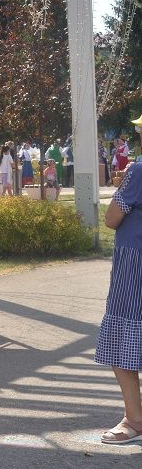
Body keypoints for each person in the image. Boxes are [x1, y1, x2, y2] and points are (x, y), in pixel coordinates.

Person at [96, 113, 142, 444]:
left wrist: (125, 186)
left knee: (122, 340)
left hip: (134, 262)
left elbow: (112, 218)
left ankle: (134, 419)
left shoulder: (138, 171)